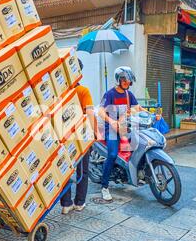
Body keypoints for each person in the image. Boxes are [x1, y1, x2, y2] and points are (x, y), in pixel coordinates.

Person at [98, 66, 146, 201]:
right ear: (118, 80)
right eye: (124, 80)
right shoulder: (110, 94)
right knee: (112, 154)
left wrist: (151, 114)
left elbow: (137, 108)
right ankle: (105, 186)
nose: (127, 83)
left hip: (126, 127)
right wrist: (111, 121)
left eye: (129, 80)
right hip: (111, 129)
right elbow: (100, 111)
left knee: (139, 147)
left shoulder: (128, 95)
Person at [61, 59, 97, 214]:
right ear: (79, 73)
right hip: (81, 137)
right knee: (83, 170)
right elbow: (89, 113)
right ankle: (79, 202)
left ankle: (66, 204)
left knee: (65, 170)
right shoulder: (83, 91)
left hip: (63, 136)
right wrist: (94, 133)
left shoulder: (60, 92)